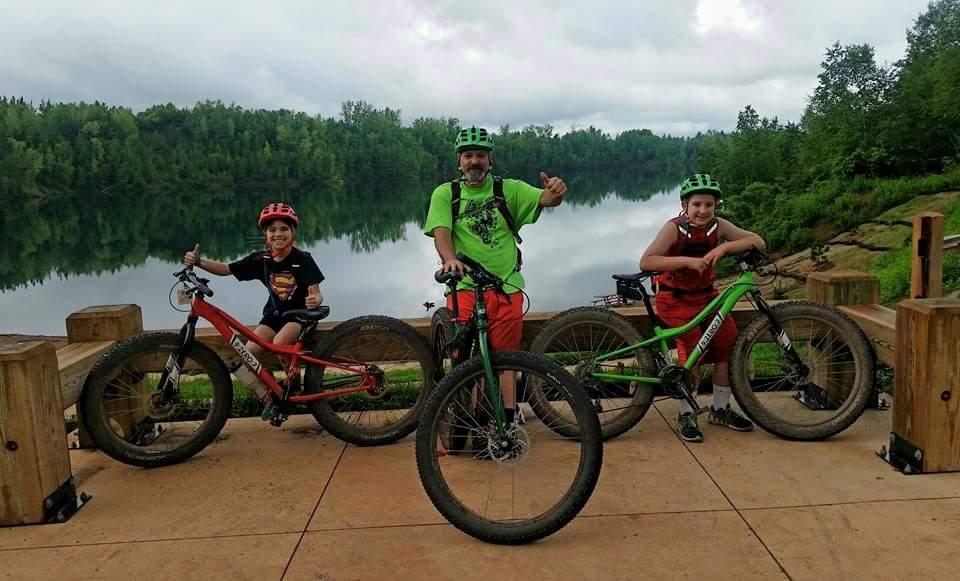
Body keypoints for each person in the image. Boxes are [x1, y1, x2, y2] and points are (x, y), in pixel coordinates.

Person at [423, 126, 567, 425]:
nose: (474, 161)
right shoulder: (445, 194)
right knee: (467, 359)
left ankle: (509, 415)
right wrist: (449, 259)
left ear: (490, 160)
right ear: (459, 161)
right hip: (464, 285)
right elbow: (441, 232)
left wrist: (555, 192)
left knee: (506, 357)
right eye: (468, 156)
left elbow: (546, 200)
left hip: (506, 285)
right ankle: (474, 416)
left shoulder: (508, 189)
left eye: (480, 156)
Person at [639, 174, 765, 442]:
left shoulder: (718, 227)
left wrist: (728, 246)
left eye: (709, 204)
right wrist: (686, 262)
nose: (703, 210)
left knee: (726, 347)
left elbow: (758, 241)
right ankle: (687, 413)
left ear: (716, 206)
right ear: (685, 205)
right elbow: (647, 261)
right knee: (692, 351)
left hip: (707, 297)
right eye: (696, 204)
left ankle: (720, 409)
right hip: (675, 299)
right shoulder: (674, 228)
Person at [184, 202, 324, 420]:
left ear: (293, 232)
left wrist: (314, 299)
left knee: (279, 344)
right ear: (266, 235)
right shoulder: (261, 260)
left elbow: (316, 292)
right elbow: (226, 269)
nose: (278, 234)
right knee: (248, 353)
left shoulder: (302, 259)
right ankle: (271, 394)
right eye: (272, 230)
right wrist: (199, 262)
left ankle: (292, 385)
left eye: (284, 229)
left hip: (299, 315)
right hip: (273, 315)